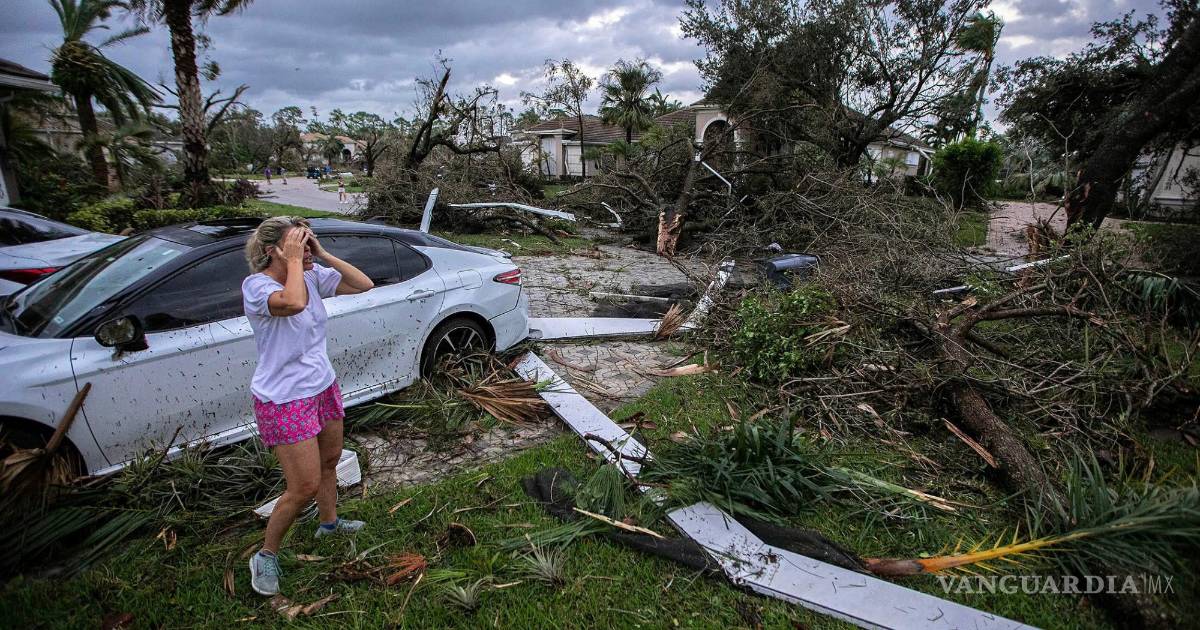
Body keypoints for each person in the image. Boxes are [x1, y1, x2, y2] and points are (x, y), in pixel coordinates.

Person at [242, 216, 374, 596]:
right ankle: (265, 555)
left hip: (321, 386)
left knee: (330, 462)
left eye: (307, 241)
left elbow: (363, 284)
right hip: (285, 399)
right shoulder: (258, 287)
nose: (306, 249)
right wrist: (296, 261)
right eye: (298, 243)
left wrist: (322, 253)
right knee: (303, 486)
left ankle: (329, 524)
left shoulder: (312, 275)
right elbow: (294, 303)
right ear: (274, 251)